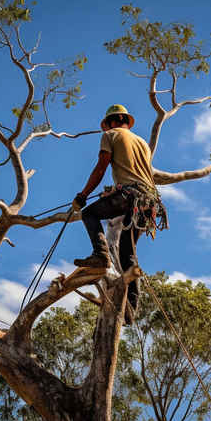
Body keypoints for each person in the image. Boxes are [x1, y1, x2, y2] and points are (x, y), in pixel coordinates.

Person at [72, 104, 167, 323]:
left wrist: (83, 194)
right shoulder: (142, 142)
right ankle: (131, 310)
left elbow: (101, 167)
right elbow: (137, 173)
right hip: (149, 201)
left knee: (89, 214)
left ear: (113, 122)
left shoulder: (111, 135)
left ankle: (101, 255)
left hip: (130, 197)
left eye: (107, 124)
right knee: (127, 253)